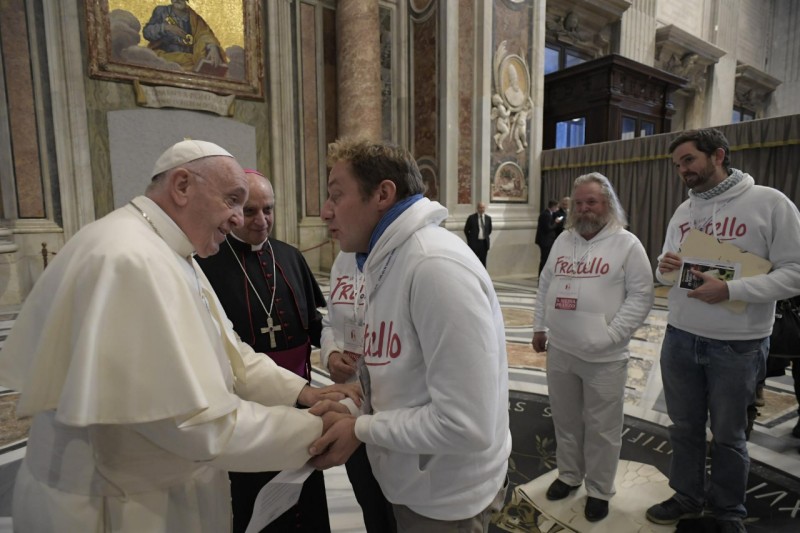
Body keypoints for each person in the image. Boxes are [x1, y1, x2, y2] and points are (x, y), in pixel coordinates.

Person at [0, 139, 359, 532]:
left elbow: (230, 352)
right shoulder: (131, 259)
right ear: (182, 185)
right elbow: (192, 424)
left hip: (154, 487)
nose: (237, 219)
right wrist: (317, 429)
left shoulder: (170, 250)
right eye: (233, 200)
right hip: (116, 503)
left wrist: (303, 393)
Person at [311, 138, 512, 532]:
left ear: (383, 194)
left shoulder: (434, 266)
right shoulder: (386, 259)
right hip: (414, 480)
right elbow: (401, 372)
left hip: (446, 498)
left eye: (336, 195)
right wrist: (357, 406)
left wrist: (361, 428)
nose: (325, 211)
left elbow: (466, 424)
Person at [646, 128, 800, 533]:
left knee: (730, 435)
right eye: (677, 164)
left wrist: (731, 290)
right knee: (684, 428)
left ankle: (729, 510)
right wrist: (663, 268)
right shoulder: (684, 211)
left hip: (738, 344)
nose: (682, 170)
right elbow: (669, 271)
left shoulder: (770, 203)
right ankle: (687, 496)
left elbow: (795, 273)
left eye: (689, 160)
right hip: (680, 336)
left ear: (718, 155)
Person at [196, 169, 330, 533]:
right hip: (248, 405)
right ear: (233, 212)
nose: (262, 220)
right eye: (250, 211)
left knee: (307, 486)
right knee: (255, 496)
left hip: (303, 398)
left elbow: (313, 322)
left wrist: (336, 351)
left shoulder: (290, 256)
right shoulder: (208, 264)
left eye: (268, 209)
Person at [531, 172, 653, 522]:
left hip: (605, 356)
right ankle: (569, 475)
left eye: (592, 202)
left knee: (602, 427)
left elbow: (642, 294)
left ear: (607, 204)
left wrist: (612, 335)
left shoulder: (627, 244)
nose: (584, 209)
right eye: (580, 202)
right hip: (561, 350)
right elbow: (545, 283)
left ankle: (599, 490)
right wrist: (539, 326)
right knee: (566, 420)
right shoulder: (563, 240)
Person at [320, 251, 397, 533]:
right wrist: (331, 354)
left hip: (392, 412)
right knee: (370, 502)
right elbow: (330, 322)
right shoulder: (342, 258)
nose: (331, 230)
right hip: (352, 405)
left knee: (396, 512)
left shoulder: (404, 259)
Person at [143, 0, 227, 73]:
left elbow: (204, 34)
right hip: (165, 57)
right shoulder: (161, 11)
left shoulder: (194, 18)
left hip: (188, 61)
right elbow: (147, 32)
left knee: (201, 64)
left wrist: (212, 47)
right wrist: (166, 27)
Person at [535, 200, 563, 276]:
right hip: (545, 241)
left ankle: (543, 275)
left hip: (546, 240)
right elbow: (548, 228)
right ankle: (542, 275)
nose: (557, 209)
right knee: (545, 259)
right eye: (557, 207)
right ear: (553, 206)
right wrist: (556, 222)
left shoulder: (548, 214)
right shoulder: (546, 214)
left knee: (546, 259)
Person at [464, 201, 493, 267]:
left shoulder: (488, 218)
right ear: (477, 208)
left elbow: (489, 230)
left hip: (484, 244)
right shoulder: (471, 218)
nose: (482, 209)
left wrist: (484, 236)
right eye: (480, 207)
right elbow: (466, 230)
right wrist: (470, 240)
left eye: (483, 207)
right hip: (474, 243)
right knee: (473, 262)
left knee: (483, 263)